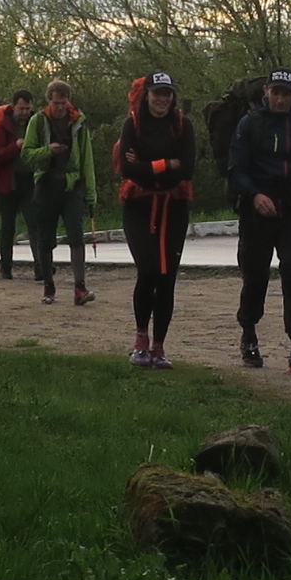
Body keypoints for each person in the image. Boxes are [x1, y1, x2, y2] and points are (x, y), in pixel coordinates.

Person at [225, 64, 291, 373]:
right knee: (255, 277)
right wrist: (255, 195)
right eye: (276, 93)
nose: (280, 99)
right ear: (266, 92)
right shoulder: (250, 124)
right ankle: (249, 334)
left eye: (286, 93)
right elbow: (236, 169)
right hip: (256, 215)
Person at [116, 69, 201, 366]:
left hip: (173, 207)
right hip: (138, 207)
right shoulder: (133, 123)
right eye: (157, 94)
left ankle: (159, 347)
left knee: (167, 277)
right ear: (147, 95)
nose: (162, 99)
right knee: (148, 269)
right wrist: (167, 164)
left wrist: (147, 164)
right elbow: (127, 169)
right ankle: (140, 340)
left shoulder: (182, 125)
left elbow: (187, 168)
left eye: (167, 94)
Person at [17, 78, 95, 305]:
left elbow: (87, 159)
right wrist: (48, 151)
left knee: (76, 236)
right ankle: (48, 286)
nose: (60, 107)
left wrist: (91, 193)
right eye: (56, 103)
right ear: (48, 101)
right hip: (46, 183)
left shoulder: (78, 122)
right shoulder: (38, 121)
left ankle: (80, 287)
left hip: (72, 184)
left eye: (63, 102)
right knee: (45, 237)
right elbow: (27, 154)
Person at [0, 85, 35, 277]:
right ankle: (5, 267)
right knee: (8, 227)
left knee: (34, 224)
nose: (24, 112)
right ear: (13, 107)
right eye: (21, 108)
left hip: (30, 181)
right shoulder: (2, 126)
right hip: (8, 182)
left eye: (27, 108)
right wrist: (15, 147)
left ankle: (41, 266)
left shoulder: (36, 124)